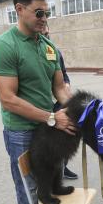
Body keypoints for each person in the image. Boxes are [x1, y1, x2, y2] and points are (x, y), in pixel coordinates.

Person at [0, 0, 77, 204]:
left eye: (47, 13)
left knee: (51, 175)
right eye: (39, 13)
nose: (44, 18)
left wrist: (79, 111)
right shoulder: (4, 46)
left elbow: (60, 89)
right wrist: (52, 117)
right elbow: (9, 99)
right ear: (19, 10)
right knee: (27, 185)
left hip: (49, 126)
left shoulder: (48, 46)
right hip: (22, 131)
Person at [41, 24, 78, 180]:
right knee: (49, 145)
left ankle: (63, 167)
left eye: (48, 31)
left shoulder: (53, 51)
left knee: (66, 138)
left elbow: (63, 76)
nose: (46, 33)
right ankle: (55, 170)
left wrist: (66, 85)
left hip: (58, 104)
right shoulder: (29, 52)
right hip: (42, 107)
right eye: (43, 31)